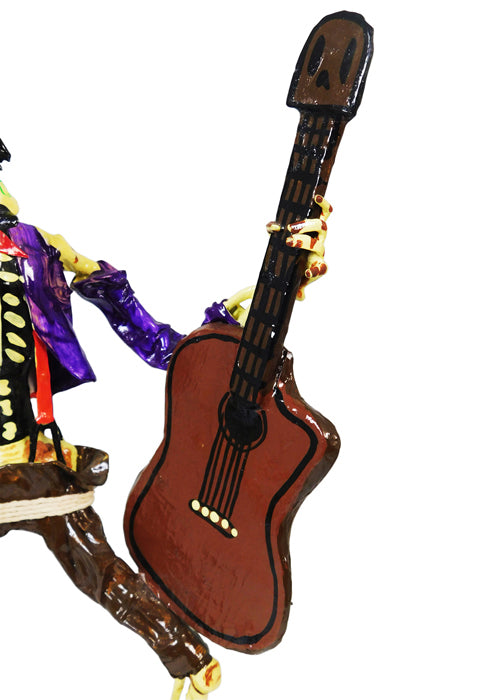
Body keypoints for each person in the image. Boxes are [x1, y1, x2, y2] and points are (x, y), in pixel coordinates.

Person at [0, 137, 330, 699]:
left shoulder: (37, 249)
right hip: (34, 466)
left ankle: (192, 665)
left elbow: (159, 344)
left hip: (35, 462)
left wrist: (245, 314)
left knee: (100, 568)